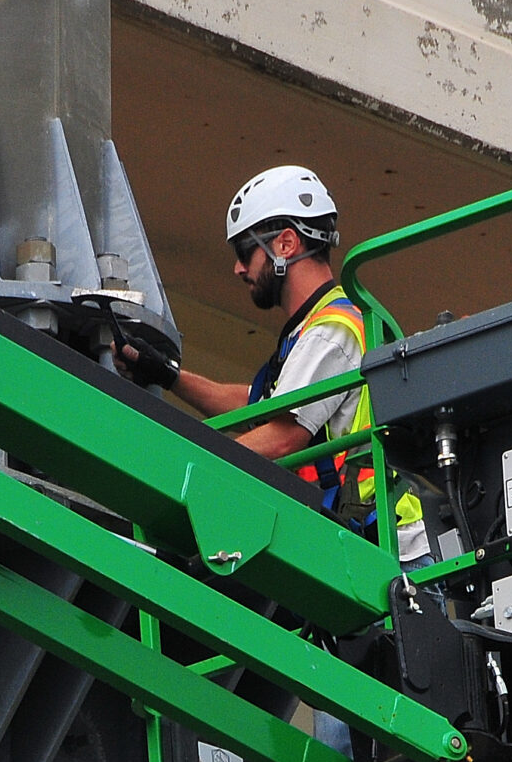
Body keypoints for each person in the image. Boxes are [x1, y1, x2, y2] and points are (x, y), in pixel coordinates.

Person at [118, 165, 419, 552]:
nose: (238, 267)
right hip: (362, 535)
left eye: (246, 251)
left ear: (286, 244)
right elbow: (260, 406)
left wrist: (187, 461)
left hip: (385, 544)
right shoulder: (314, 327)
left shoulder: (333, 330)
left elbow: (284, 437)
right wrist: (167, 374)